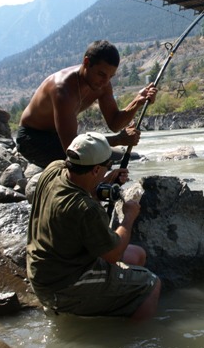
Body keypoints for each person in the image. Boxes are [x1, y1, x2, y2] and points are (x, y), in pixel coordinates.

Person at [26, 131, 161, 322]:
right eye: (107, 165)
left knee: (136, 255)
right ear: (96, 170)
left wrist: (103, 185)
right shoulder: (85, 208)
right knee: (151, 284)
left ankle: (109, 303)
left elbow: (77, 195)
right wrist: (129, 216)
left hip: (44, 271)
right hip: (64, 284)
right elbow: (113, 254)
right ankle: (135, 340)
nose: (109, 168)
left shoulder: (53, 170)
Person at [16, 39, 157, 169]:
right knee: (90, 163)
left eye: (110, 77)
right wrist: (119, 139)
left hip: (60, 137)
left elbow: (115, 123)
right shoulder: (62, 90)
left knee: (122, 158)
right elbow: (72, 147)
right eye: (101, 74)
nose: (105, 82)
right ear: (86, 62)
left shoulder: (103, 85)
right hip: (32, 139)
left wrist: (138, 101)